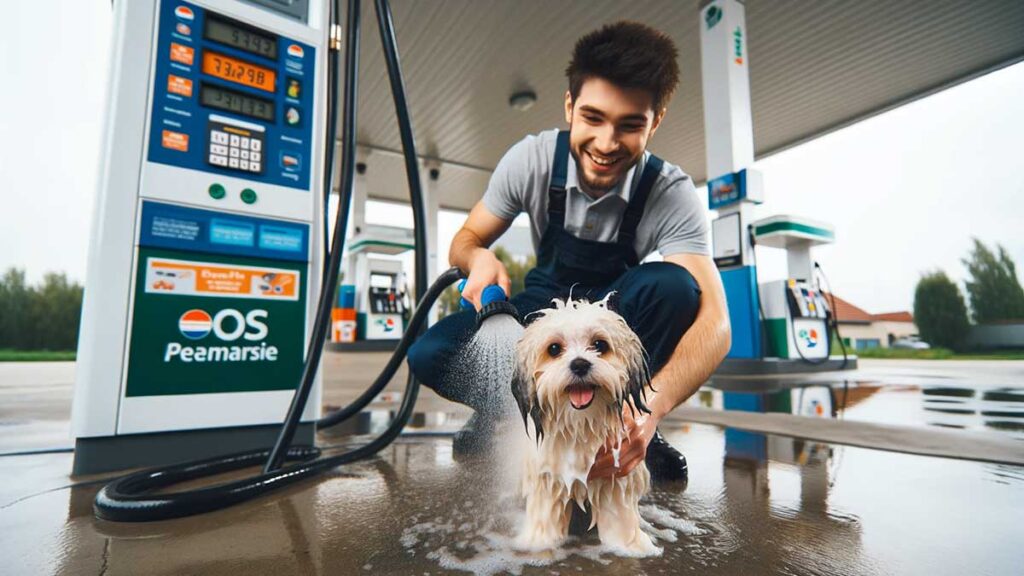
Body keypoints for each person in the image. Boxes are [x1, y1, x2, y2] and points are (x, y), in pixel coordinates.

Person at [407, 21, 731, 482]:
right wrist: (477, 258)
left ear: (655, 122)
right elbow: (466, 239)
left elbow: (717, 324)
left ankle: (632, 420)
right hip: (541, 312)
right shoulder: (532, 159)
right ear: (569, 106)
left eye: (630, 125)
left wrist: (652, 408)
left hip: (618, 315)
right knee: (431, 352)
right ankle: (509, 410)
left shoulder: (670, 192)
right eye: (593, 118)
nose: (605, 143)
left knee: (677, 288)